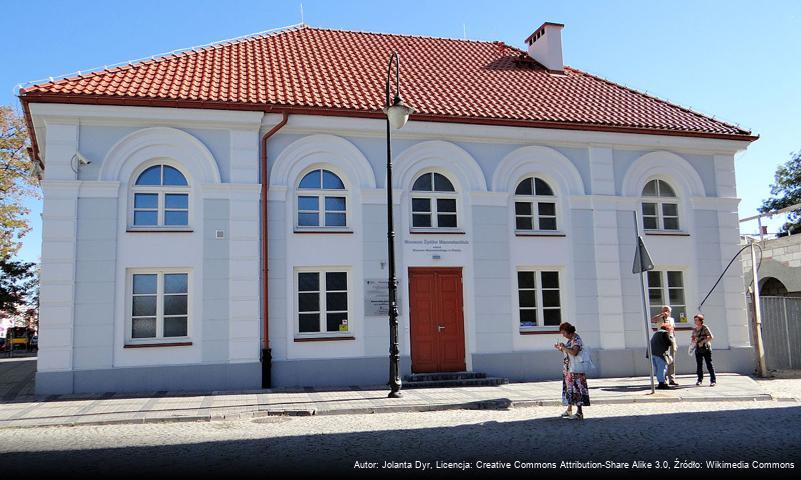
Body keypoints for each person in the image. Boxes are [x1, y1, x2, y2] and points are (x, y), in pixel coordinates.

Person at [554, 322, 590, 420]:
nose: (563, 335)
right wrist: (561, 349)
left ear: (567, 331)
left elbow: (574, 352)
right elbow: (569, 352)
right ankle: (569, 410)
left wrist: (564, 347)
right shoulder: (571, 339)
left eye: (563, 333)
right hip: (569, 369)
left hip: (576, 370)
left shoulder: (576, 339)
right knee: (569, 390)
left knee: (577, 390)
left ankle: (579, 413)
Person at [651, 305, 678, 385]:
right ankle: (663, 379)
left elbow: (673, 330)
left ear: (670, 312)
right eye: (664, 310)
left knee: (671, 360)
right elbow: (652, 320)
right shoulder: (659, 318)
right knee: (663, 360)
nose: (666, 312)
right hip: (662, 340)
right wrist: (661, 315)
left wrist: (675, 342)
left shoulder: (671, 319)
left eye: (667, 310)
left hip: (671, 339)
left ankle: (672, 379)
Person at [691, 313, 716, 386]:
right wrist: (693, 341)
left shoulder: (705, 327)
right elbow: (693, 338)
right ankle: (699, 380)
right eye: (694, 320)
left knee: (709, 364)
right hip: (698, 349)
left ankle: (713, 380)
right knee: (699, 365)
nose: (695, 321)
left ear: (700, 321)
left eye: (696, 320)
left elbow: (711, 337)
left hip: (706, 348)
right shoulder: (695, 329)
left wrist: (703, 341)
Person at [650, 323, 674, 390]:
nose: (671, 330)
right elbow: (669, 343)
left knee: (657, 369)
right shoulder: (664, 333)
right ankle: (662, 384)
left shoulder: (656, 333)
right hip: (659, 354)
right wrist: (670, 336)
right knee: (662, 368)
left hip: (652, 353)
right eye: (670, 329)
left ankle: (660, 382)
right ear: (667, 328)